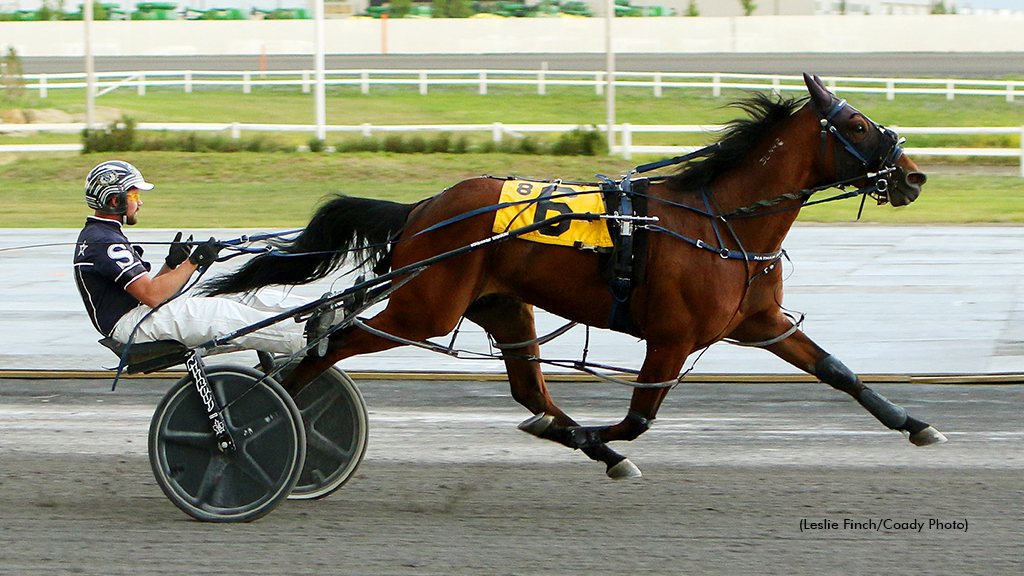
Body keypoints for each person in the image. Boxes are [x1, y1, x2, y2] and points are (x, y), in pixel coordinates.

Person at [73, 160, 333, 357]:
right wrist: (193, 262)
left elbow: (147, 292)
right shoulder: (104, 241)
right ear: (114, 199)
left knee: (240, 295)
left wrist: (171, 265)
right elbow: (152, 296)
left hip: (138, 315)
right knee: (222, 313)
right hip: (129, 327)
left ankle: (325, 311)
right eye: (134, 196)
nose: (139, 203)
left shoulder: (103, 235)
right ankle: (305, 337)